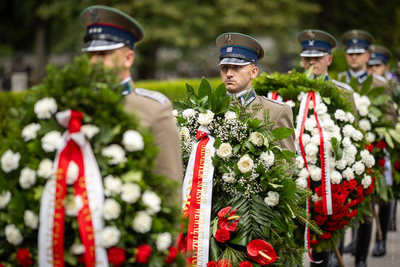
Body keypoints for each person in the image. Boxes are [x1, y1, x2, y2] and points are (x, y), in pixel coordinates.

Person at [80, 6, 183, 182]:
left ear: (128, 58)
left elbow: (168, 184)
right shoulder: (75, 103)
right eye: (90, 55)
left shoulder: (153, 109)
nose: (93, 62)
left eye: (103, 54)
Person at [216, 32, 295, 153]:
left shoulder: (276, 112)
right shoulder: (209, 110)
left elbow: (287, 165)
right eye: (224, 67)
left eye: (237, 67)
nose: (229, 74)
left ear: (253, 72)